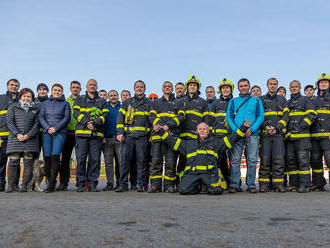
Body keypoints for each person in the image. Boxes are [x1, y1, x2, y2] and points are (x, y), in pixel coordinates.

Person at [154, 121, 250, 195]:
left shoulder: (216, 142)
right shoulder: (189, 144)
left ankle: (207, 185)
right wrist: (160, 132)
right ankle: (198, 186)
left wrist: (244, 128)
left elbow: (233, 138)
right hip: (192, 174)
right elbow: (172, 141)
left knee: (216, 191)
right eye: (200, 129)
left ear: (208, 131)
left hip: (209, 174)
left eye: (204, 129)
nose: (202, 130)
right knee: (182, 190)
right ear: (197, 131)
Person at [226, 78, 264, 193]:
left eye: (245, 85)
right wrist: (237, 131)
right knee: (235, 160)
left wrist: (251, 129)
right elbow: (229, 117)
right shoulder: (233, 101)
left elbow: (260, 116)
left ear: (249, 86)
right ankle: (234, 184)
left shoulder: (256, 101)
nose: (243, 87)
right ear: (238, 88)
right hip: (237, 134)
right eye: (241, 86)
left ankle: (251, 184)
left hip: (252, 134)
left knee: (252, 160)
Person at [73, 79, 109, 192]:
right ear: (86, 86)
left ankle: (92, 183)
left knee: (95, 160)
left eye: (94, 85)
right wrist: (86, 122)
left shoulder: (102, 101)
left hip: (96, 135)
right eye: (90, 85)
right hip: (81, 135)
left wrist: (94, 124)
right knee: (81, 160)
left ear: (97, 87)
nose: (92, 86)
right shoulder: (79, 99)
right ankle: (81, 183)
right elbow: (75, 113)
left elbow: (105, 115)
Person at [149, 81, 184, 193]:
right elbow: (151, 115)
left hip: (171, 137)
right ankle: (155, 185)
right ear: (162, 89)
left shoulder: (178, 102)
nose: (167, 88)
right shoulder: (156, 102)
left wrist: (168, 126)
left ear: (172, 89)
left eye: (169, 86)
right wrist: (160, 126)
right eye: (165, 86)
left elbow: (181, 116)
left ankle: (169, 185)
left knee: (171, 162)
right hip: (157, 137)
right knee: (155, 161)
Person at [116, 80, 151, 192]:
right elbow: (120, 119)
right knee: (125, 161)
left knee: (142, 162)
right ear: (134, 89)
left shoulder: (149, 103)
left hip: (143, 137)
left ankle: (141, 184)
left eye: (141, 87)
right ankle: (123, 184)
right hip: (128, 137)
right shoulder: (127, 102)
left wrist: (152, 135)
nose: (139, 88)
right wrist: (120, 132)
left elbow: (153, 120)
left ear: (144, 89)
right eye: (137, 87)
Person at [5, 88, 40, 193]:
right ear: (20, 97)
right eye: (24, 96)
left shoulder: (35, 109)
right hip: (15, 139)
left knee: (28, 163)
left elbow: (37, 124)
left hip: (30, 140)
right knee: (13, 162)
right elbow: (10, 122)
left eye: (29, 96)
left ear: (32, 98)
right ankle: (11, 185)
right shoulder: (13, 107)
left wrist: (28, 135)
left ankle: (24, 185)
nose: (26, 98)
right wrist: (18, 134)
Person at [39, 84, 71, 193]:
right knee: (47, 159)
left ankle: (52, 185)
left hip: (60, 133)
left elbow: (66, 118)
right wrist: (48, 128)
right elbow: (41, 117)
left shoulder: (65, 104)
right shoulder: (45, 103)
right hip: (46, 132)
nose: (57, 92)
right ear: (51, 91)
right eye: (55, 90)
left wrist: (56, 128)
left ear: (62, 92)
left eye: (59, 90)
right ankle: (49, 181)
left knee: (55, 157)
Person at [286, 80, 317, 193]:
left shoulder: (305, 100)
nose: (294, 88)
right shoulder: (287, 102)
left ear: (299, 88)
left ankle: (305, 184)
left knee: (303, 161)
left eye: (296, 87)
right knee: (291, 161)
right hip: (290, 138)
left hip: (303, 137)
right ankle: (294, 184)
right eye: (292, 87)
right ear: (290, 89)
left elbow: (312, 114)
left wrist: (300, 126)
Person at [176, 76, 208, 186]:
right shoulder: (180, 101)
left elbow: (206, 119)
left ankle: (196, 183)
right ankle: (179, 182)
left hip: (196, 138)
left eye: (194, 85)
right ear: (187, 87)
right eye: (190, 85)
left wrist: (203, 134)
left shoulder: (202, 102)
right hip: (182, 137)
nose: (192, 87)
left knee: (196, 160)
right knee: (182, 160)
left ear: (197, 87)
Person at [258, 78, 288, 192]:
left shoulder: (282, 99)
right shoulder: (261, 100)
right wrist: (265, 126)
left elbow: (286, 116)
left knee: (278, 160)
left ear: (277, 86)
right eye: (271, 84)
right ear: (267, 85)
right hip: (265, 134)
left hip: (278, 135)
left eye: (275, 84)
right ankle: (263, 185)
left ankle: (278, 185)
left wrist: (277, 128)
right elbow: (258, 116)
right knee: (265, 160)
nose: (272, 86)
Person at [208, 78, 234, 186]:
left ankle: (233, 182)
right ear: (220, 90)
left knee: (233, 160)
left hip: (231, 136)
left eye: (227, 87)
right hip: (217, 137)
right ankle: (223, 181)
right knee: (220, 160)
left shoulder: (234, 102)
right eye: (223, 88)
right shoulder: (215, 103)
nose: (225, 90)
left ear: (231, 89)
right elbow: (210, 120)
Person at [57, 81, 81, 191]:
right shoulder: (65, 101)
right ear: (70, 89)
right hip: (67, 133)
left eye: (77, 87)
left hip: (81, 134)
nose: (75, 89)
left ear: (80, 89)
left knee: (81, 159)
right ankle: (63, 183)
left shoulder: (83, 101)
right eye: (73, 87)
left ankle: (80, 182)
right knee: (65, 159)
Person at [310, 73, 330, 191]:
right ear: (318, 85)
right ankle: (318, 184)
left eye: (326, 82)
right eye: (321, 82)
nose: (323, 83)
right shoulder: (313, 100)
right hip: (314, 137)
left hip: (327, 136)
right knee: (315, 161)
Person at [0, 79, 20, 191]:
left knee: (15, 162)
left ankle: (14, 185)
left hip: (15, 136)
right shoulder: (1, 98)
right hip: (2, 136)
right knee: (1, 161)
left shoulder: (20, 100)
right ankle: (1, 184)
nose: (14, 87)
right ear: (7, 86)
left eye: (16, 85)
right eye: (12, 85)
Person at [102, 90, 122, 191]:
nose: (113, 97)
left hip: (119, 139)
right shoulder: (105, 108)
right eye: (111, 95)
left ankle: (120, 183)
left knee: (120, 162)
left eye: (115, 95)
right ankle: (110, 183)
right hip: (107, 139)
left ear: (118, 96)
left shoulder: (122, 108)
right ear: (108, 97)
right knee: (108, 163)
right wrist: (102, 136)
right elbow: (101, 123)